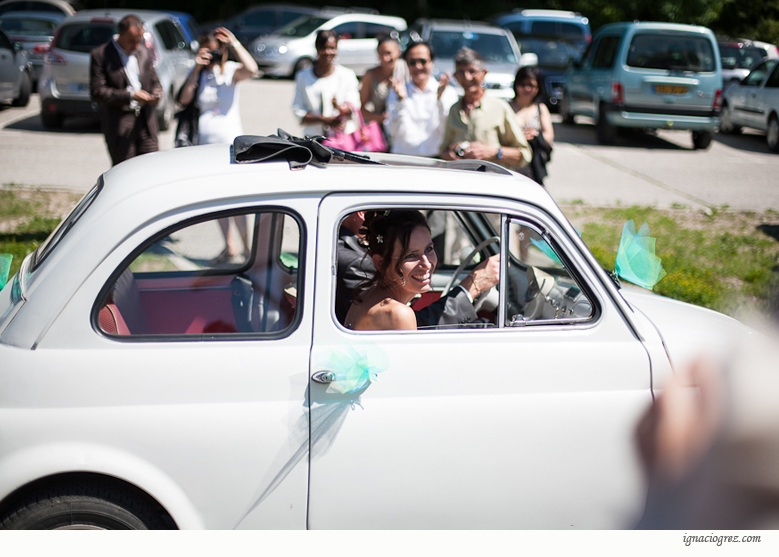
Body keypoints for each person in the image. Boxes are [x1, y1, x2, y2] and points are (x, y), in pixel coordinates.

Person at [341, 210, 499, 331]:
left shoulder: (365, 297)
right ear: (381, 263)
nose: (427, 263)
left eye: (429, 249)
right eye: (410, 255)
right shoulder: (398, 313)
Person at [177, 27, 258, 261]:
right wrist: (196, 66)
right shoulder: (200, 73)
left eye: (214, 51)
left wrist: (234, 43)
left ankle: (247, 248)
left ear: (221, 51)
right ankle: (229, 246)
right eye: (207, 51)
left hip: (231, 145)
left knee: (237, 198)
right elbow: (183, 99)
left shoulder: (230, 71)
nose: (211, 56)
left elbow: (252, 69)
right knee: (217, 199)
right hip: (206, 147)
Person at [439, 47, 532, 170]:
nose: (467, 77)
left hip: (491, 183)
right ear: (455, 76)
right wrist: (452, 154)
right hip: (460, 183)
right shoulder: (454, 110)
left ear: (484, 73)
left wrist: (492, 152)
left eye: (472, 71)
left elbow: (524, 154)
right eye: (461, 72)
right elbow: (443, 151)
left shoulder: (499, 108)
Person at [90, 15, 162, 166]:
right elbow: (97, 92)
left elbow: (154, 80)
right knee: (125, 171)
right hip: (120, 123)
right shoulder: (101, 55)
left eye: (139, 39)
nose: (136, 45)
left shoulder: (143, 52)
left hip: (146, 122)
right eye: (131, 41)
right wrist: (131, 95)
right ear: (120, 35)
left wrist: (156, 92)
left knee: (152, 169)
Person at [384, 40, 458, 156]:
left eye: (423, 61)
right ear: (407, 64)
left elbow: (448, 131)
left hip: (435, 160)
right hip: (402, 159)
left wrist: (440, 100)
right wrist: (400, 101)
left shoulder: (447, 92)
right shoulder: (397, 91)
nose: (418, 66)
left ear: (432, 62)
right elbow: (392, 131)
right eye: (412, 62)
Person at [292, 30, 360, 139]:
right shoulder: (303, 76)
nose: (328, 52)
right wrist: (323, 120)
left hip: (342, 139)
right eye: (323, 48)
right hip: (314, 138)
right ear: (317, 49)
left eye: (332, 48)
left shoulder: (347, 75)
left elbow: (355, 106)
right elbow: (298, 111)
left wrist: (341, 108)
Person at [510, 66, 554, 185]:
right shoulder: (506, 108)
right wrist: (519, 136)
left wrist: (535, 135)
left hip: (533, 165)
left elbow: (549, 136)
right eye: (522, 84)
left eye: (531, 85)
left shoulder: (541, 109)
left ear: (538, 87)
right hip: (510, 162)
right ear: (515, 85)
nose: (527, 88)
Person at [359, 34, 404, 127]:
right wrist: (380, 118)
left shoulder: (407, 70)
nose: (385, 58)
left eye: (388, 53)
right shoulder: (370, 75)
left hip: (403, 127)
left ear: (398, 52)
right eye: (381, 54)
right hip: (379, 129)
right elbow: (360, 109)